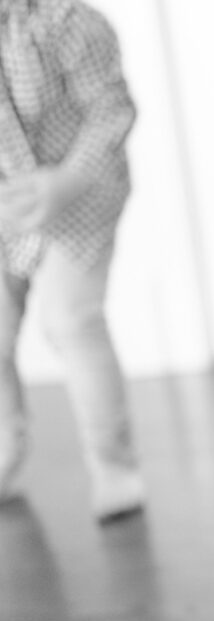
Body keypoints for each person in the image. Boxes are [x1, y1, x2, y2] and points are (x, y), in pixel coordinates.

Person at [0, 0, 141, 521]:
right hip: (8, 203)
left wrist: (67, 181)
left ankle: (114, 467)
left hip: (80, 194)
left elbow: (112, 109)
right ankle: (5, 450)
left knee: (70, 321)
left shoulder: (66, 23)